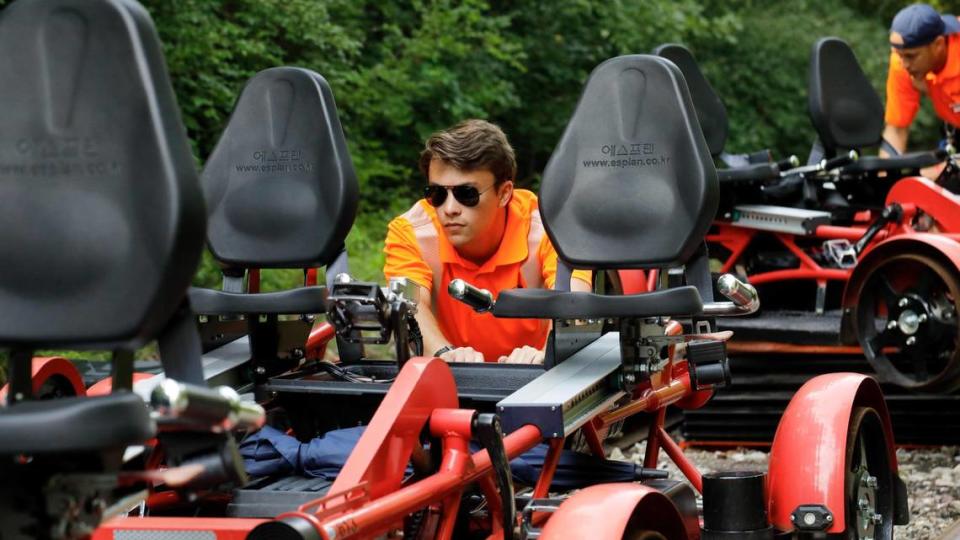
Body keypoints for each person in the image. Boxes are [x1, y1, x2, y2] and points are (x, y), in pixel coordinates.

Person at [383, 119, 591, 364]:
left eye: (466, 194)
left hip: (539, 375)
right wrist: (444, 354)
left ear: (504, 193)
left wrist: (546, 355)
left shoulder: (552, 229)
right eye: (437, 194)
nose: (449, 209)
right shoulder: (411, 232)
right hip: (450, 377)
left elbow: (576, 304)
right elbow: (409, 306)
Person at [882, 3, 960, 157]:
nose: (904, 64)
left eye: (911, 56)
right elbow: (896, 130)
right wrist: (884, 178)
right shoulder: (902, 64)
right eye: (898, 54)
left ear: (938, 44)